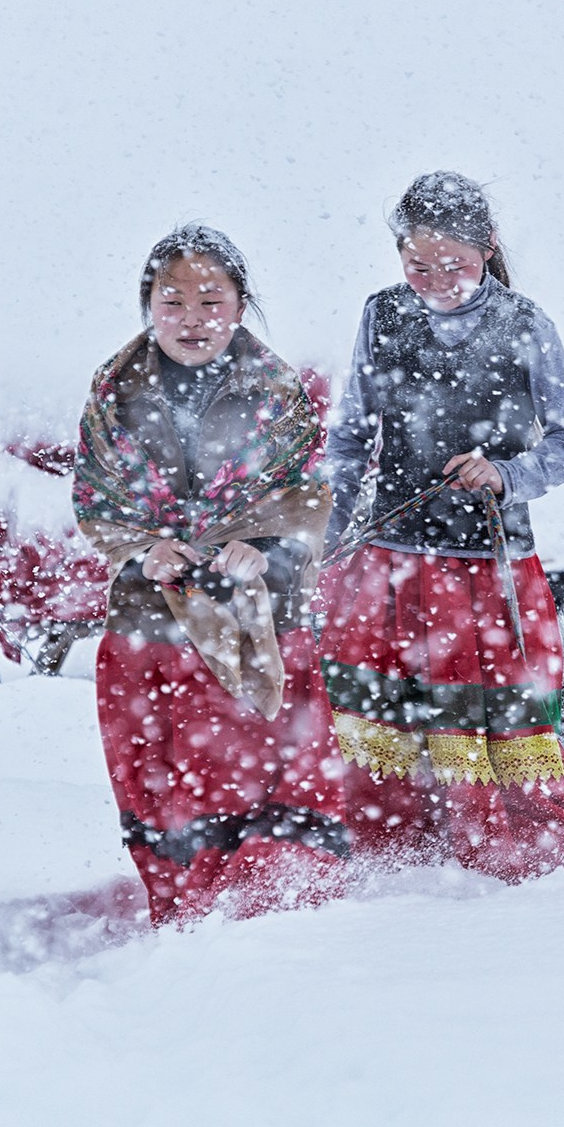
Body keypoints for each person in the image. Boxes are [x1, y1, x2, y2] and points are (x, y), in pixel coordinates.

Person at [319, 171, 564, 881]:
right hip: (389, 559)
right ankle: (395, 848)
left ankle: (504, 843)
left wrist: (509, 473)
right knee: (381, 713)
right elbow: (352, 436)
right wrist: (329, 538)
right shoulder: (382, 315)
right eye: (417, 265)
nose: (434, 281)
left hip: (488, 564)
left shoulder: (524, 324)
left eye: (451, 264)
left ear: (486, 247)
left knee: (493, 713)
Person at [74, 224, 349, 924]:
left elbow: (306, 495)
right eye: (174, 301)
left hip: (257, 620)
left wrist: (267, 548)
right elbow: (96, 499)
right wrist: (145, 549)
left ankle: (274, 914)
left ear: (239, 303)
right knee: (165, 779)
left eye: (209, 299)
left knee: (265, 774)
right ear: (149, 305)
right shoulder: (116, 391)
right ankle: (187, 912)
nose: (192, 318)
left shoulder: (275, 389)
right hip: (152, 627)